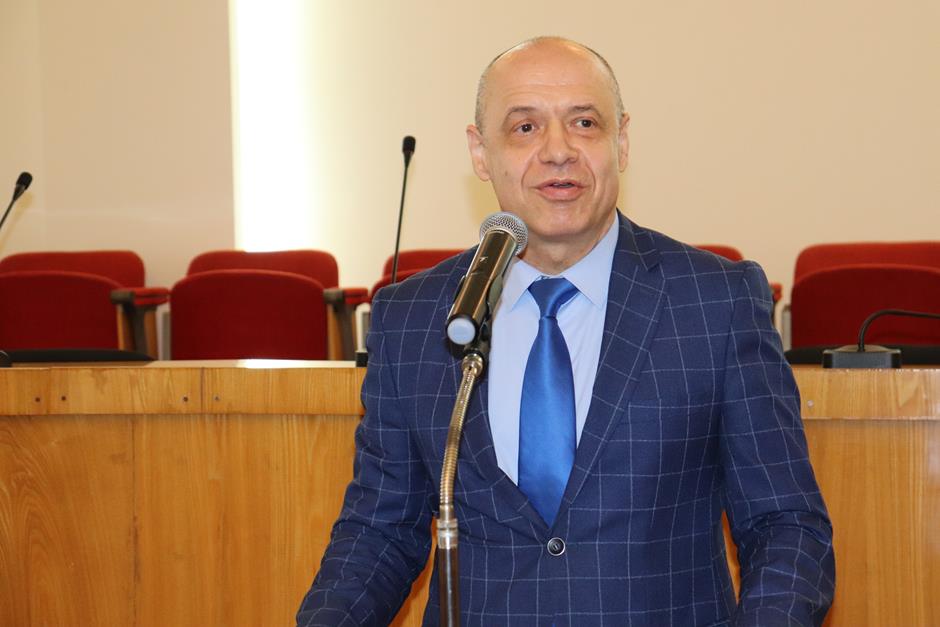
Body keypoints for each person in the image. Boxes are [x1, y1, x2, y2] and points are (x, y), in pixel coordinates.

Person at [298, 36, 835, 626]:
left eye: (584, 123)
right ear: (480, 152)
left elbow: (785, 524)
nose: (558, 151)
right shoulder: (414, 316)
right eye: (525, 128)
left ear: (621, 142)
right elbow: (379, 533)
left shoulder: (714, 302)